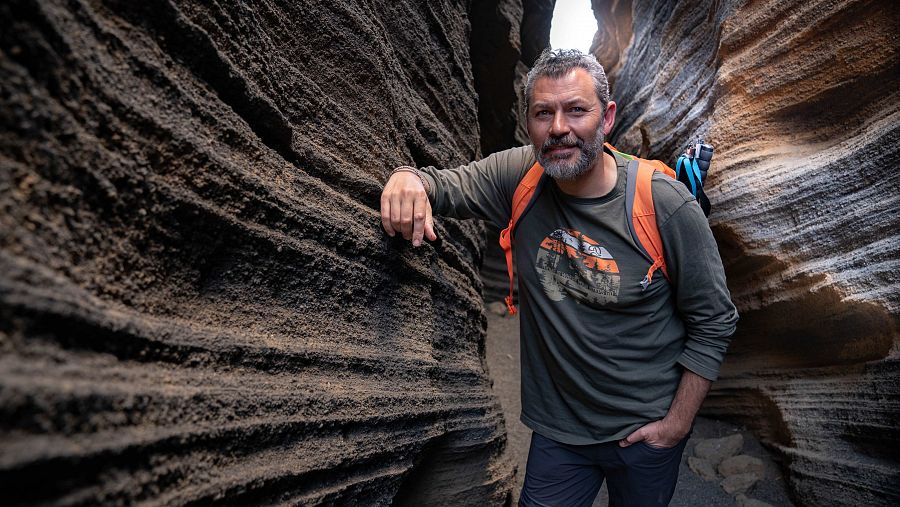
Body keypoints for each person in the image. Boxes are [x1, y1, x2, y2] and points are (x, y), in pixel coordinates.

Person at [380, 49, 738, 507]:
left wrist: (676, 426)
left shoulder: (665, 205)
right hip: (560, 433)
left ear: (607, 117)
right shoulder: (519, 176)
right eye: (543, 113)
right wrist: (406, 178)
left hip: (646, 431)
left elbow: (715, 319)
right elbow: (441, 185)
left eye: (576, 110)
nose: (559, 128)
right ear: (527, 122)